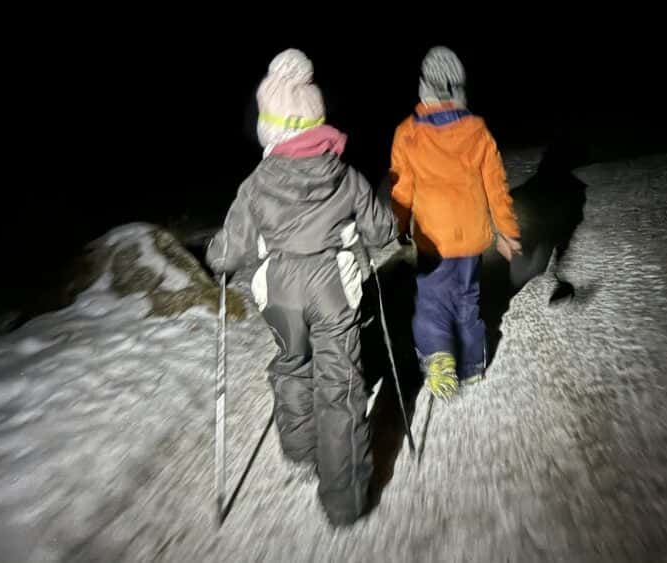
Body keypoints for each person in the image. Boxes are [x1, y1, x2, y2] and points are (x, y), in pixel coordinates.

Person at [206, 48, 395, 525]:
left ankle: (300, 446)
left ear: (269, 129)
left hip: (281, 293)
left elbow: (229, 251)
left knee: (293, 364)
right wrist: (384, 225)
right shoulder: (346, 176)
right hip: (333, 289)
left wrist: (216, 253)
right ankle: (345, 498)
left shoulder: (254, 185)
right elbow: (381, 232)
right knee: (341, 385)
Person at [389, 46, 522, 399]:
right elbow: (497, 186)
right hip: (471, 238)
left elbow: (401, 190)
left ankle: (439, 358)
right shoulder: (477, 130)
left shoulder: (408, 133)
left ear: (424, 88)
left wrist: (399, 229)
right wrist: (507, 232)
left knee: (433, 301)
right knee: (467, 300)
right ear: (460, 88)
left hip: (433, 239)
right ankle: (472, 367)